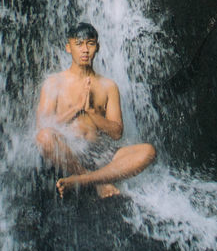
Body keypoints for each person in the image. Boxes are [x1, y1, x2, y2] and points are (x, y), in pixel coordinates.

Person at [35, 21, 156, 198]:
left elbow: (116, 133)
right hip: (69, 150)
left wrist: (91, 111)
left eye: (90, 44)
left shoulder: (108, 86)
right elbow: (42, 127)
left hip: (100, 153)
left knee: (148, 151)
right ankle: (91, 178)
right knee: (44, 137)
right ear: (69, 47)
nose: (85, 50)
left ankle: (86, 180)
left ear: (97, 47)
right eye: (79, 44)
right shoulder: (54, 83)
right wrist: (76, 109)